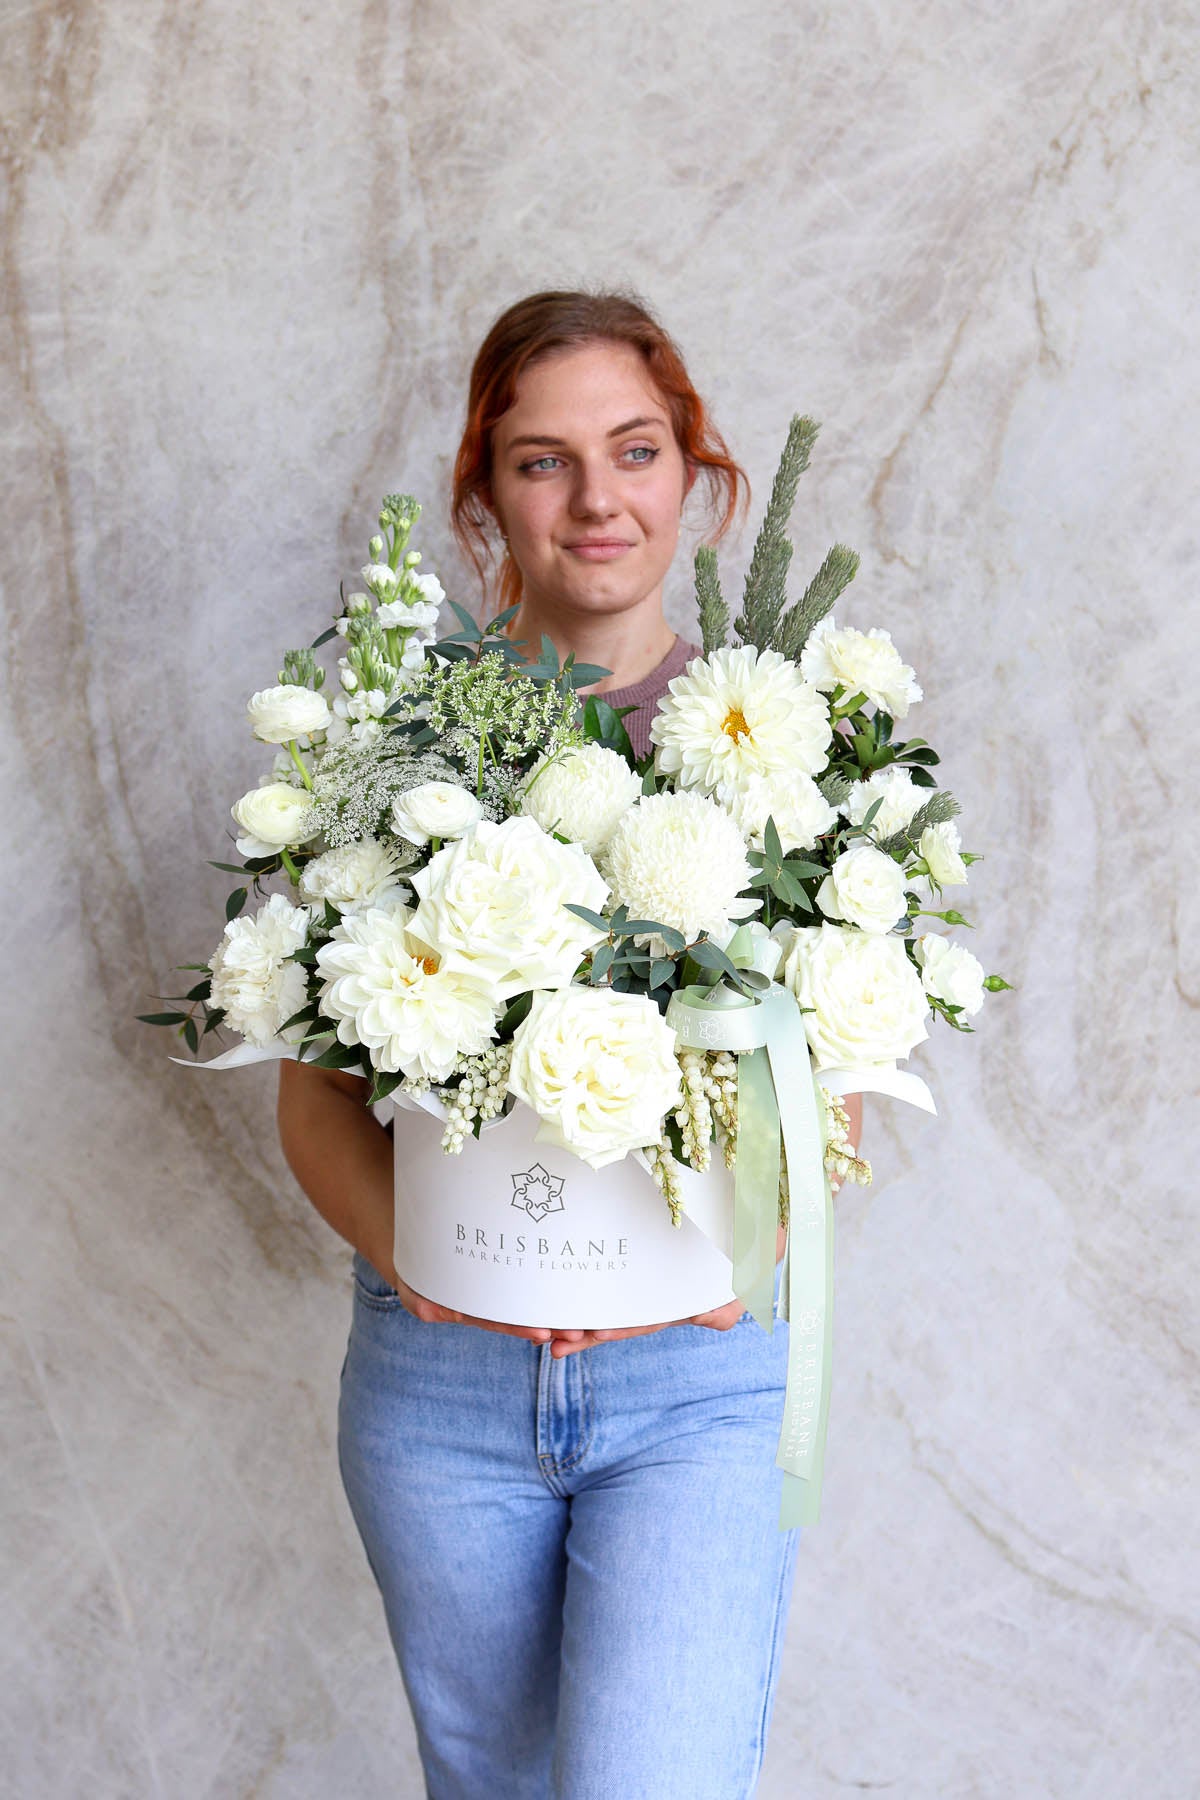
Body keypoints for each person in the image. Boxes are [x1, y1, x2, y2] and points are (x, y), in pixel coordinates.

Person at [277, 290, 862, 1799]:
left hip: (697, 1382)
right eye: (544, 460)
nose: (598, 497)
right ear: (485, 495)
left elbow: (833, 1082)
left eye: (636, 449)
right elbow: (312, 1099)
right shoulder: (393, 748)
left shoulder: (788, 747)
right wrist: (427, 1266)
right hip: (442, 1386)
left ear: (694, 471)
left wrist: (756, 1235)